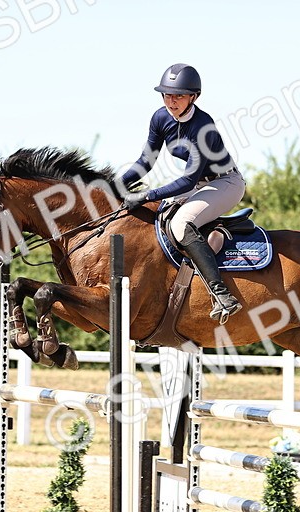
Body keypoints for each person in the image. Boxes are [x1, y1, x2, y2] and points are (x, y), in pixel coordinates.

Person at [119, 63, 245, 322]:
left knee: (180, 223)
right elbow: (146, 160)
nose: (171, 101)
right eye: (166, 95)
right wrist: (115, 186)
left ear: (193, 97)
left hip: (226, 183)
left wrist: (146, 195)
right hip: (200, 183)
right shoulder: (160, 117)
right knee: (158, 218)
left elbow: (188, 180)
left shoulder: (202, 125)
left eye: (178, 96)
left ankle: (222, 295)